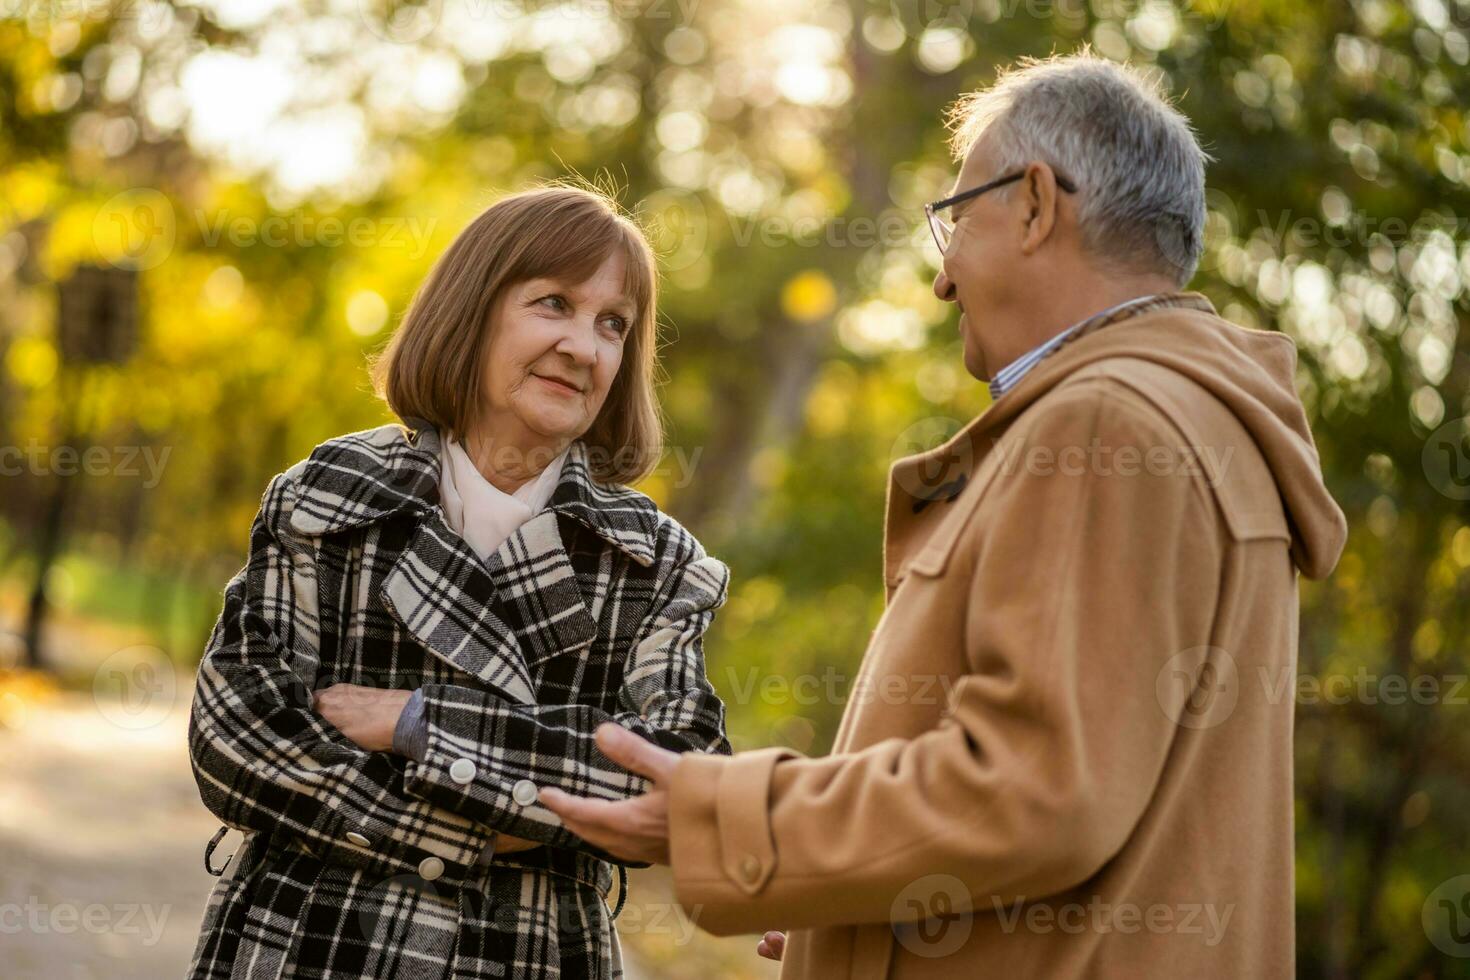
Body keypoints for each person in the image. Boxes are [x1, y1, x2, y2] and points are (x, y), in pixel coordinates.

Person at [539, 51, 1348, 978]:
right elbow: (1115, 820)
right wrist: (848, 907)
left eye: (956, 221)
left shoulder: (1106, 426)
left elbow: (1036, 791)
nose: (943, 279)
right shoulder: (1204, 423)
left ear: (1037, 204)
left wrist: (726, 817)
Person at [185, 185, 731, 979]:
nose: (586, 347)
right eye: (553, 304)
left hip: (532, 957)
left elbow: (678, 777)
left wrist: (416, 722)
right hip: (308, 946)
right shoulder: (329, 495)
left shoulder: (656, 562)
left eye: (613, 323)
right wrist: (476, 833)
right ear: (471, 311)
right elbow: (237, 740)